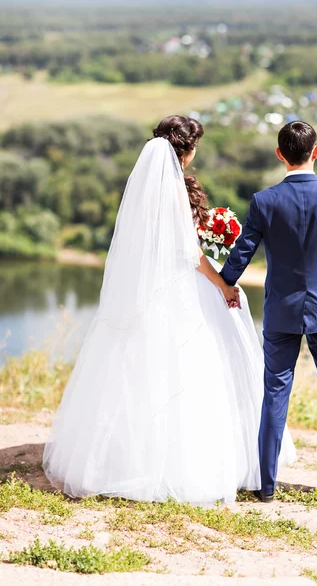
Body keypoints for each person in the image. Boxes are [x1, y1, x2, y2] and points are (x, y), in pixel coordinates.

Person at [43, 115, 296, 504]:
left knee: (134, 371)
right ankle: (185, 465)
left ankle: (117, 457)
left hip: (147, 291)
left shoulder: (145, 185)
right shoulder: (175, 189)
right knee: (190, 369)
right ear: (188, 150)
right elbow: (190, 255)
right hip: (181, 289)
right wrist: (225, 283)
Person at [220, 121, 317, 503]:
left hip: (281, 312)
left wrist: (224, 284)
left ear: (279, 155)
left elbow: (241, 254)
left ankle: (266, 485)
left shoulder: (264, 201)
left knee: (274, 393)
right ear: (315, 152)